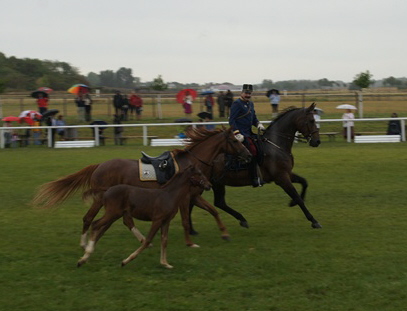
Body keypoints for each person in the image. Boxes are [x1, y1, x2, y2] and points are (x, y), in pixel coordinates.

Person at [229, 84, 265, 187]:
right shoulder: (237, 104)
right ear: (242, 93)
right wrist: (236, 133)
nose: (248, 95)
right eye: (246, 93)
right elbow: (231, 120)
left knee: (261, 147)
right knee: (252, 151)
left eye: (249, 93)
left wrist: (258, 124)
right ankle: (254, 178)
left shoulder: (251, 104)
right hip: (240, 134)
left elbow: (253, 118)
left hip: (248, 133)